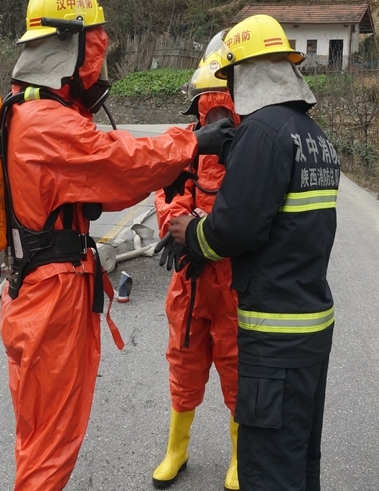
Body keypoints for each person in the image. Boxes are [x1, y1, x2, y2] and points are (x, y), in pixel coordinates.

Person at [0, 0, 234, 491]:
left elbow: (107, 186)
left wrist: (172, 164)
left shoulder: (24, 110)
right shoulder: (46, 122)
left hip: (37, 289)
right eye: (95, 49)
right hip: (50, 297)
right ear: (76, 47)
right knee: (49, 444)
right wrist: (191, 143)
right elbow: (117, 161)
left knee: (40, 436)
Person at [162, 14, 340, 491]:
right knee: (300, 458)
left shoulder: (262, 133)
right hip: (311, 326)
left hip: (274, 332)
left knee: (269, 468)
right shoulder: (313, 136)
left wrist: (190, 234)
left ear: (246, 72)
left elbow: (234, 228)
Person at [151, 34, 241, 490]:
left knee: (237, 367)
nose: (215, 119)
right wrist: (179, 228)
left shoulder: (250, 150)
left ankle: (241, 456)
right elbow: (168, 195)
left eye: (222, 108)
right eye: (208, 109)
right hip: (190, 279)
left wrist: (203, 233)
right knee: (184, 362)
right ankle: (177, 449)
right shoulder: (185, 148)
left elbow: (248, 213)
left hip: (234, 281)